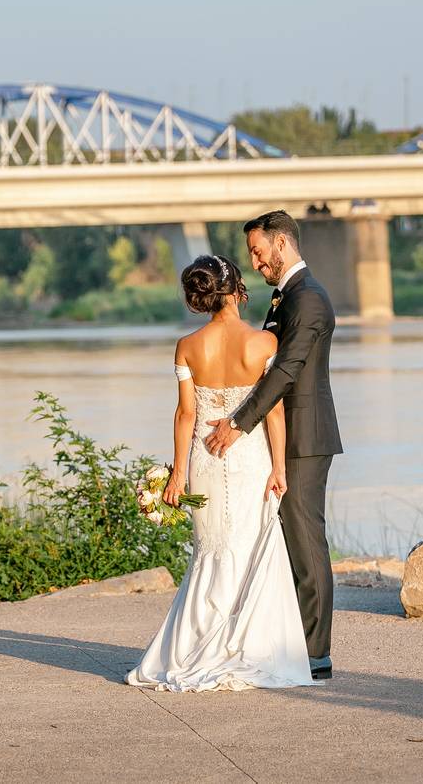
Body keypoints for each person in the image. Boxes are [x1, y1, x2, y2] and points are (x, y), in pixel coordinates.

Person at [126, 254, 316, 691]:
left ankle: (195, 646)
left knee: (210, 550)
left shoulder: (188, 346)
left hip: (205, 461)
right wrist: (280, 468)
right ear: (236, 289)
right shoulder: (264, 345)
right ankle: (248, 648)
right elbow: (273, 413)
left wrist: (177, 475)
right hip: (251, 459)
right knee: (250, 549)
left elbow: (186, 414)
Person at [203, 209, 343, 681]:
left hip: (305, 436)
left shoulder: (311, 300)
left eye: (259, 253)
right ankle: (290, 646)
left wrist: (237, 424)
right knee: (287, 543)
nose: (257, 264)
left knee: (306, 545)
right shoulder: (287, 298)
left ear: (281, 244)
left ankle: (316, 655)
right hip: (282, 437)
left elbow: (286, 371)